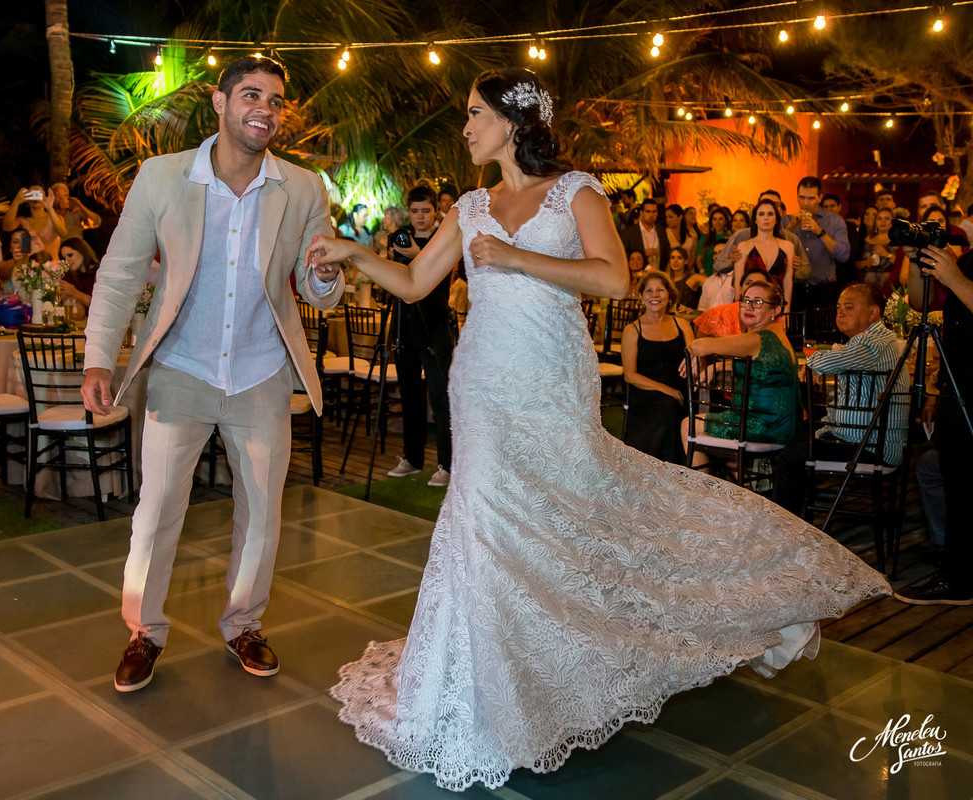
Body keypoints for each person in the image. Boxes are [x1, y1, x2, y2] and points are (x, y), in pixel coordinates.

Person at [309, 68, 887, 791]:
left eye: (473, 114)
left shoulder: (576, 190)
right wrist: (353, 253)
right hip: (483, 382)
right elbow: (417, 282)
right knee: (483, 527)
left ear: (513, 122)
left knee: (572, 515)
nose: (464, 127)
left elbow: (614, 278)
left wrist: (518, 258)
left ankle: (713, 611)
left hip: (552, 381)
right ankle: (491, 695)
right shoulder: (470, 204)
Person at [79, 55, 346, 692]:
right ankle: (144, 633)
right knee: (156, 510)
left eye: (276, 101)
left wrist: (327, 277)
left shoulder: (303, 189)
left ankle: (244, 625)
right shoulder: (162, 177)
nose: (266, 109)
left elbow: (317, 289)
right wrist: (98, 356)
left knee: (262, 511)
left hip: (260, 373)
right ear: (220, 105)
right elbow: (118, 273)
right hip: (180, 368)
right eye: (251, 95)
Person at [772, 282, 908, 516]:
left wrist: (814, 362)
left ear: (874, 312)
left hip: (869, 445)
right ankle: (800, 521)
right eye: (838, 307)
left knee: (790, 456)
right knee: (797, 443)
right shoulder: (880, 340)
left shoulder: (873, 343)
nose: (841, 312)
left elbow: (826, 362)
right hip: (868, 439)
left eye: (849, 307)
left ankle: (788, 527)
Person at [894, 243, 973, 605]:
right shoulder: (970, 258)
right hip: (956, 387)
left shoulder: (963, 270)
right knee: (956, 480)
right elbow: (918, 300)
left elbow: (957, 287)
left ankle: (959, 580)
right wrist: (915, 261)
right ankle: (958, 575)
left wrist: (955, 279)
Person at [681, 278, 798, 465]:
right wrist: (717, 366)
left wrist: (693, 350)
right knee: (729, 454)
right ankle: (734, 486)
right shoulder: (777, 334)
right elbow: (761, 368)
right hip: (779, 425)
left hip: (760, 426)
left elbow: (701, 346)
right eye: (745, 300)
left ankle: (701, 491)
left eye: (758, 302)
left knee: (689, 424)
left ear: (775, 310)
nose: (749, 306)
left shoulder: (759, 338)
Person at [383, 184, 455, 487]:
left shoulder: (443, 241)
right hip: (405, 326)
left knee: (441, 398)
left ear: (435, 210)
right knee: (410, 395)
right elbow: (392, 283)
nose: (420, 216)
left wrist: (418, 255)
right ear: (408, 212)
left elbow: (438, 289)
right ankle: (412, 458)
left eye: (426, 210)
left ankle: (447, 464)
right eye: (415, 211)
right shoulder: (399, 240)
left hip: (435, 327)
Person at [621, 270, 694, 463]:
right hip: (647, 394)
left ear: (669, 295)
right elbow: (630, 375)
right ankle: (660, 466)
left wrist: (693, 363)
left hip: (680, 391)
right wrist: (666, 390)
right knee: (668, 407)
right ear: (641, 297)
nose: (654, 295)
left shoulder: (683, 325)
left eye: (660, 290)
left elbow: (693, 361)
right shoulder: (632, 330)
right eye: (649, 291)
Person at [783, 176, 851, 322]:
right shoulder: (787, 220)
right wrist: (791, 227)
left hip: (823, 291)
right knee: (793, 338)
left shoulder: (834, 221)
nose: (805, 203)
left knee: (823, 339)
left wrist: (819, 231)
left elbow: (844, 255)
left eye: (811, 198)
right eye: (802, 197)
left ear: (820, 198)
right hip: (794, 290)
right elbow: (776, 251)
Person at [734, 197, 795, 307]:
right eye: (761, 214)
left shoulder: (788, 247)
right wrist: (739, 310)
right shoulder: (743, 247)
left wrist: (787, 312)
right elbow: (738, 283)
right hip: (750, 306)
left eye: (770, 214)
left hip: (776, 305)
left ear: (776, 219)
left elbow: (787, 282)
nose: (766, 218)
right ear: (755, 220)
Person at [2, 184, 67, 258]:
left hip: (53, 266)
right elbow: (6, 227)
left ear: (44, 197)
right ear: (26, 199)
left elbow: (63, 233)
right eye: (32, 194)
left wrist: (50, 208)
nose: (35, 198)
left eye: (38, 194)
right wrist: (16, 202)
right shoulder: (22, 221)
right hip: (29, 267)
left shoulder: (54, 218)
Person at [620, 197, 668, 268]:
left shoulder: (661, 230)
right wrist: (643, 254)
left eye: (654, 211)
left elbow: (667, 252)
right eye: (648, 211)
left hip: (659, 272)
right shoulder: (628, 233)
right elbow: (623, 256)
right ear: (641, 213)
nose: (651, 215)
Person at [57, 237, 98, 316]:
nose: (67, 260)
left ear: (82, 251)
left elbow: (100, 305)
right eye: (64, 258)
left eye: (70, 255)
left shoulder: (99, 273)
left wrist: (74, 293)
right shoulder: (70, 276)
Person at [856, 207, 895, 291]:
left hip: (889, 285)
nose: (883, 221)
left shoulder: (897, 242)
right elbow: (855, 264)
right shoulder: (867, 240)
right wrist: (865, 262)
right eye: (879, 218)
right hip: (867, 284)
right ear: (876, 221)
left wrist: (886, 254)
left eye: (887, 218)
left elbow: (901, 265)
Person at [696, 205, 730, 275]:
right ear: (711, 221)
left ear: (725, 221)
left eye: (720, 219)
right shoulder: (704, 238)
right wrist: (702, 273)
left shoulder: (730, 238)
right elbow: (698, 260)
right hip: (706, 276)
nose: (717, 222)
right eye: (714, 219)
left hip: (724, 276)